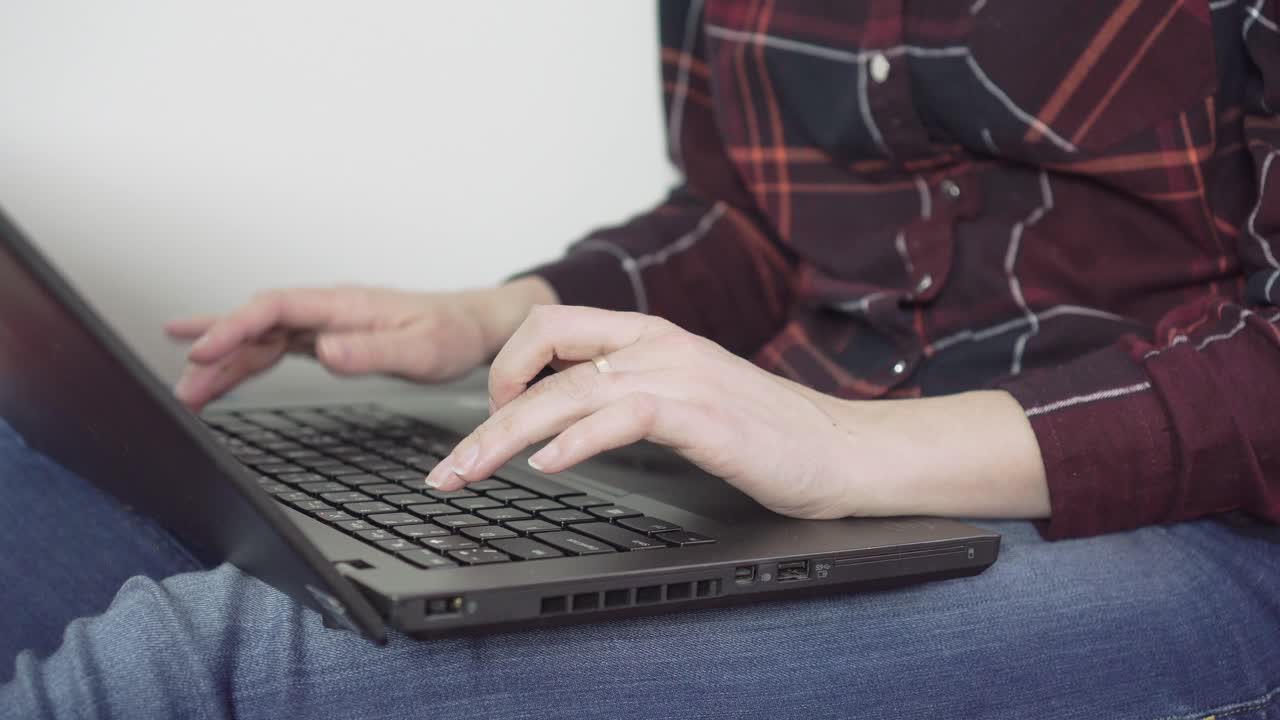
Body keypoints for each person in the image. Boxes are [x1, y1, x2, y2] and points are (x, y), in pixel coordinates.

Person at [3, 2, 1279, 717]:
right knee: (39, 490)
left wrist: (841, 450)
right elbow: (757, 229)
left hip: (1183, 522)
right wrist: (490, 315)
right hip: (793, 468)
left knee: (207, 664)